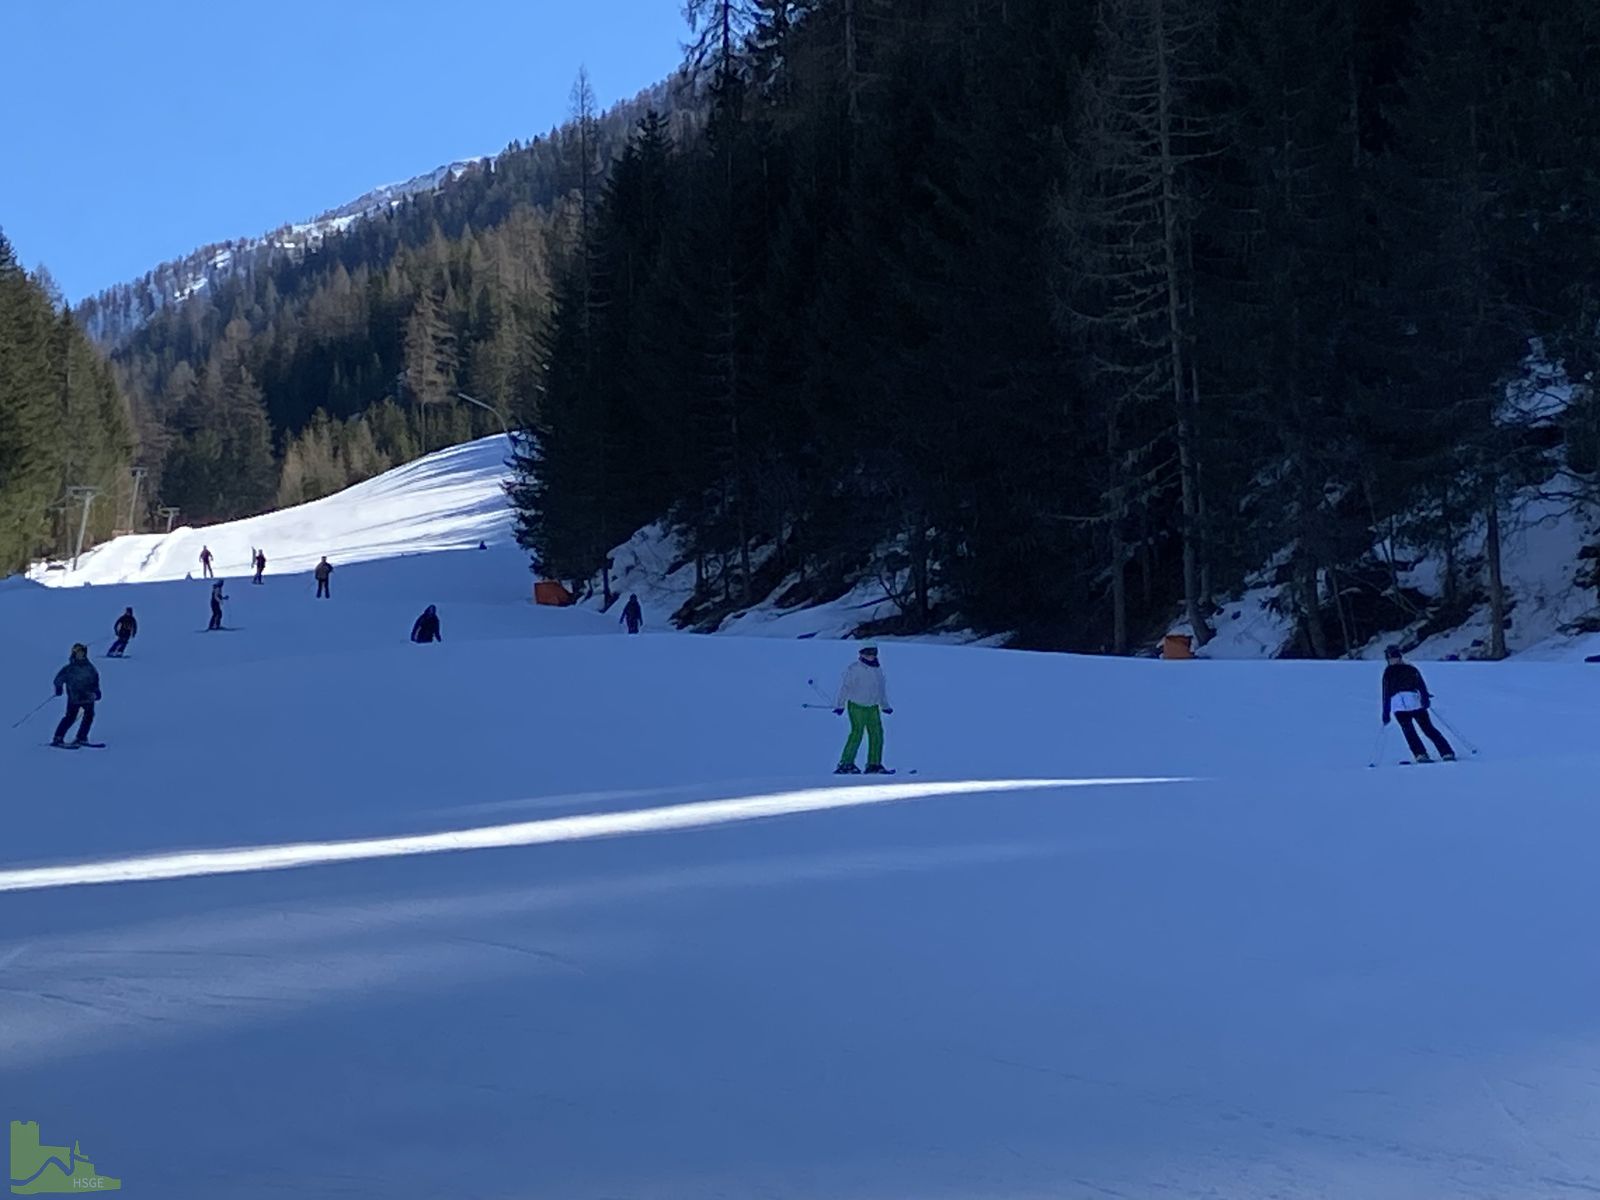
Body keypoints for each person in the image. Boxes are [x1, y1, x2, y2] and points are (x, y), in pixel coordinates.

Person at [1382, 644, 1455, 763]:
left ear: (1399, 657)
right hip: (1398, 707)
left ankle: (1446, 752)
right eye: (1390, 658)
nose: (1392, 661)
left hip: (1415, 703)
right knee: (1409, 731)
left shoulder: (1410, 669)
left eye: (1394, 658)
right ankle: (1420, 754)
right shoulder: (1388, 673)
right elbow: (1386, 692)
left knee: (1427, 728)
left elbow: (1421, 685)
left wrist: (1425, 698)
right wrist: (1386, 712)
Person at [833, 644, 894, 774]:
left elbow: (880, 690)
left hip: (873, 707)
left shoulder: (877, 670)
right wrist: (840, 705)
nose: (870, 656)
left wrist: (885, 706)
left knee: (877, 734)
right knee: (857, 733)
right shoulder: (854, 669)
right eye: (867, 653)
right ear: (860, 653)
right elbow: (845, 688)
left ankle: (874, 764)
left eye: (873, 652)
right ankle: (846, 763)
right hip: (857, 706)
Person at [51, 643, 101, 747]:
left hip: (88, 696)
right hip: (75, 697)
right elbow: (58, 679)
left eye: (82, 653)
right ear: (74, 654)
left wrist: (97, 691)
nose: (80, 655)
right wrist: (58, 689)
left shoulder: (90, 667)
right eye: (78, 653)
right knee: (70, 717)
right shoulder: (70, 668)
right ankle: (58, 737)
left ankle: (81, 737)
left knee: (89, 716)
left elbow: (95, 680)